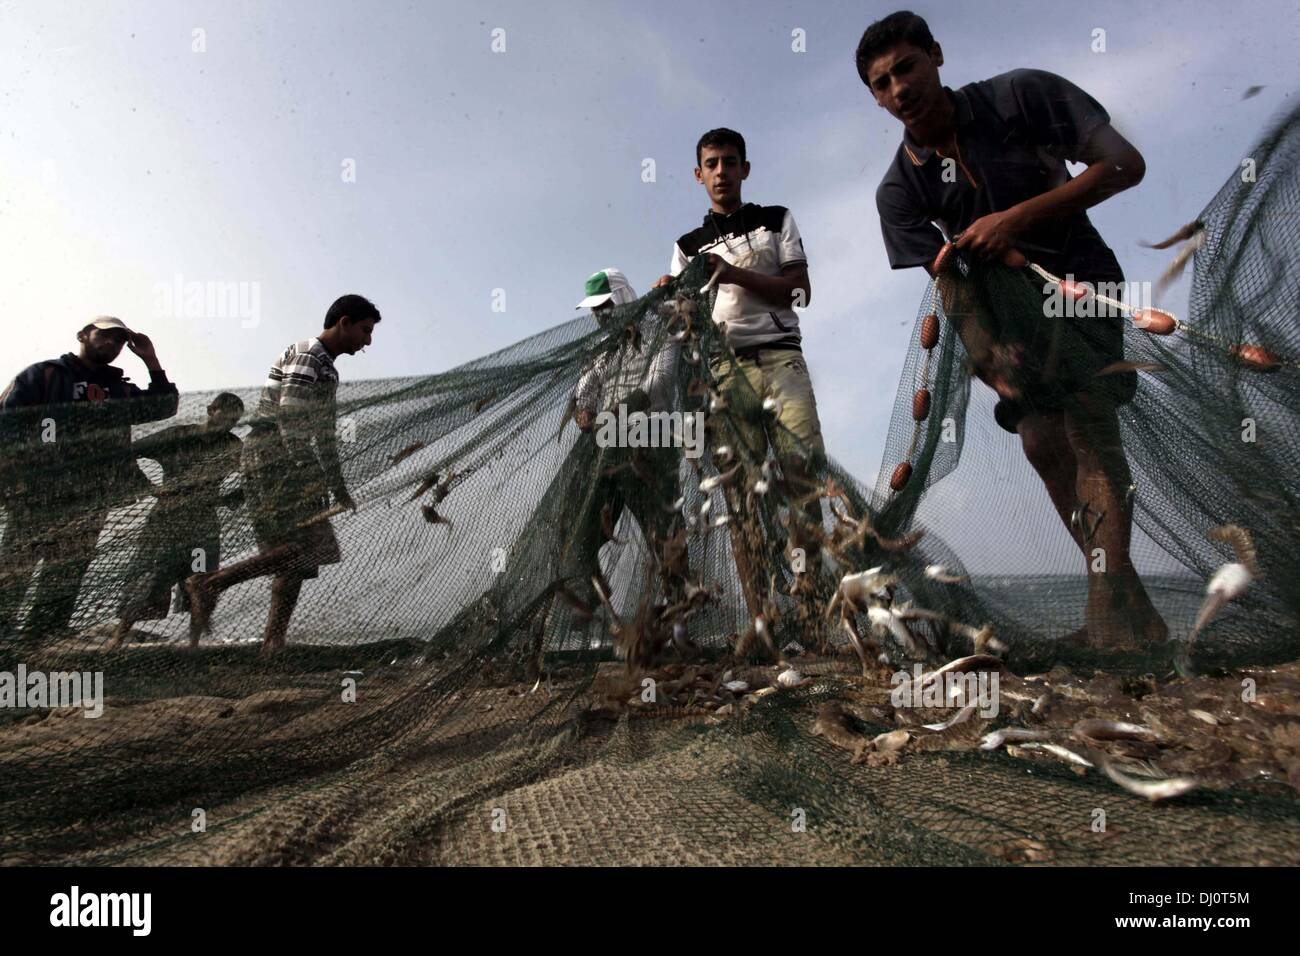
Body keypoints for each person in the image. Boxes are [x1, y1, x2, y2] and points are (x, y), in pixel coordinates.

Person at [858, 10, 1166, 647]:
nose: (899, 90)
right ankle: (1135, 613)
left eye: (906, 68)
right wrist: (983, 355)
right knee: (1040, 445)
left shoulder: (1020, 96)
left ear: (936, 56)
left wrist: (1014, 219)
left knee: (1089, 428)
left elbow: (1123, 164)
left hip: (1079, 285)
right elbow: (947, 279)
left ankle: (1108, 617)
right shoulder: (899, 189)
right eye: (882, 84)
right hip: (1003, 317)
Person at [653, 128, 828, 627]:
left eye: (730, 162)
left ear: (745, 169)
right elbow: (683, 323)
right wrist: (669, 295)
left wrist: (731, 273)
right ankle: (764, 625)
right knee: (742, 499)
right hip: (724, 374)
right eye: (712, 164)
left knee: (801, 481)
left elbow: (800, 293)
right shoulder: (686, 245)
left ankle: (814, 616)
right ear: (698, 175)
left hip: (780, 360)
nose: (722, 172)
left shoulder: (777, 220)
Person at [185, 295, 379, 653]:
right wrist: (308, 471)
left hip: (290, 459)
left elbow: (323, 433)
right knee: (296, 547)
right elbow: (289, 418)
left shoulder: (328, 367)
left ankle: (272, 643)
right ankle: (211, 582)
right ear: (345, 322)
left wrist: (336, 485)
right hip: (273, 457)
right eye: (365, 331)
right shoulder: (308, 354)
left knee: (302, 557)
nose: (367, 341)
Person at [0, 317, 179, 638]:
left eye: (119, 340)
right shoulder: (45, 375)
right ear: (83, 334)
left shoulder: (118, 390)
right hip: (35, 496)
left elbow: (163, 406)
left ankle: (44, 638)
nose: (112, 344)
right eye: (105, 335)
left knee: (66, 572)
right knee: (15, 569)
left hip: (91, 498)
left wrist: (151, 360)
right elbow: (7, 426)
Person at [559, 268, 688, 659]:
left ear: (624, 297)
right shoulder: (600, 348)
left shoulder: (659, 329)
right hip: (607, 450)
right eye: (595, 310)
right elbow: (586, 391)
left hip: (651, 442)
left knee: (664, 536)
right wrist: (586, 415)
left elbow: (661, 381)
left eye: (606, 307)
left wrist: (617, 412)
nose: (601, 316)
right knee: (579, 534)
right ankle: (615, 624)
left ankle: (680, 628)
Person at [107, 392, 246, 649]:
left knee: (203, 582)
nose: (227, 424)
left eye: (234, 421)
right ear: (210, 409)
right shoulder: (178, 435)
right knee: (146, 577)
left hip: (203, 524)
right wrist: (149, 488)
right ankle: (118, 638)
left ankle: (193, 645)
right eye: (224, 417)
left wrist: (230, 499)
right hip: (164, 522)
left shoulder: (234, 445)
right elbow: (129, 452)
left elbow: (249, 477)